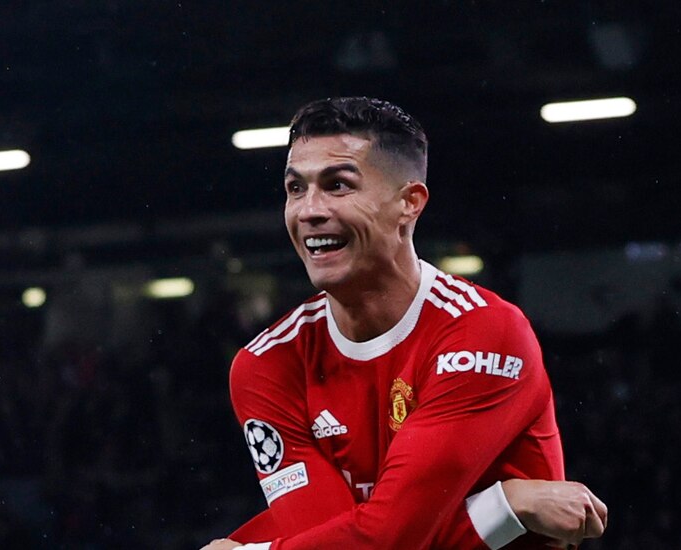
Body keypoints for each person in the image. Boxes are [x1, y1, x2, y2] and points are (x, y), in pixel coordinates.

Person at [205, 97, 606, 549]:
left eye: (337, 185)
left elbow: (383, 542)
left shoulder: (485, 334)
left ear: (409, 204)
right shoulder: (267, 365)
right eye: (296, 189)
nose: (308, 211)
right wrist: (507, 506)